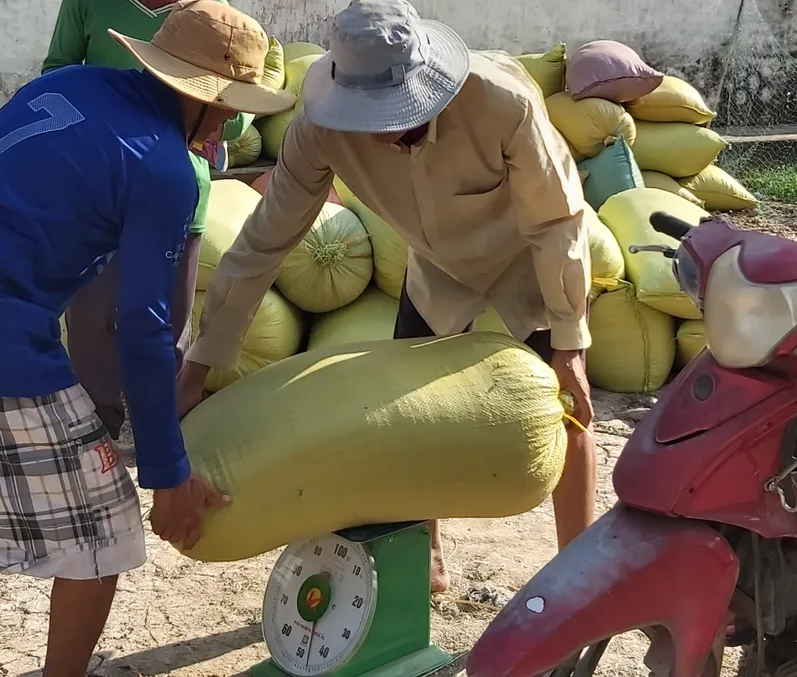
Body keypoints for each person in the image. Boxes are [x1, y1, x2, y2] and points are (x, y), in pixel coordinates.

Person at [177, 0, 598, 594]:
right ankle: (427, 553)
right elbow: (263, 244)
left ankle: (580, 573)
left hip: (528, 257)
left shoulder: (503, 102)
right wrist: (198, 368)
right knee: (412, 419)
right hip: (436, 269)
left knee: (570, 409)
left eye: (393, 112)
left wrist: (571, 343)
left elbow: (556, 222)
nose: (378, 129)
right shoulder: (319, 128)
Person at [0, 2, 294, 675]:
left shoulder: (65, 86)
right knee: (106, 533)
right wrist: (167, 472)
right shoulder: (164, 168)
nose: (228, 127)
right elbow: (144, 330)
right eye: (228, 109)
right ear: (202, 98)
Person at [41, 0, 261, 464]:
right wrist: (122, 112)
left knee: (168, 324)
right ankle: (98, 435)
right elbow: (57, 74)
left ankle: (166, 432)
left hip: (177, 190)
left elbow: (236, 116)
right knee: (91, 321)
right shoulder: (87, 4)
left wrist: (184, 109)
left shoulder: (213, 15)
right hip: (98, 188)